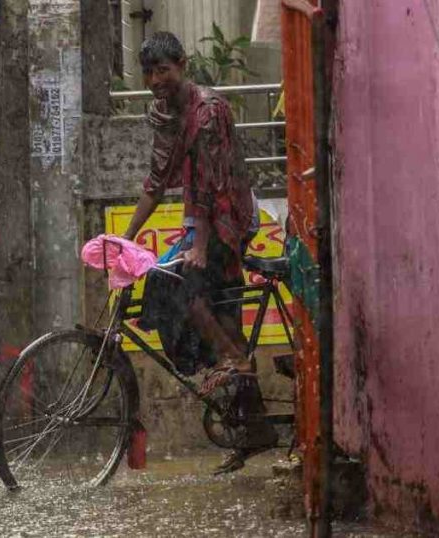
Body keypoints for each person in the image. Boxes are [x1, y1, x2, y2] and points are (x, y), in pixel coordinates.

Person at [121, 32, 276, 473]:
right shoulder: (169, 113)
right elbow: (156, 181)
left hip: (228, 217)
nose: (155, 80)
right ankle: (257, 426)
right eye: (149, 73)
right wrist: (127, 238)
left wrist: (202, 246)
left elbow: (211, 183)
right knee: (224, 316)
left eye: (163, 70)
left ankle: (230, 361)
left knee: (174, 285)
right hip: (201, 217)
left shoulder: (208, 111)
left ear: (183, 65)